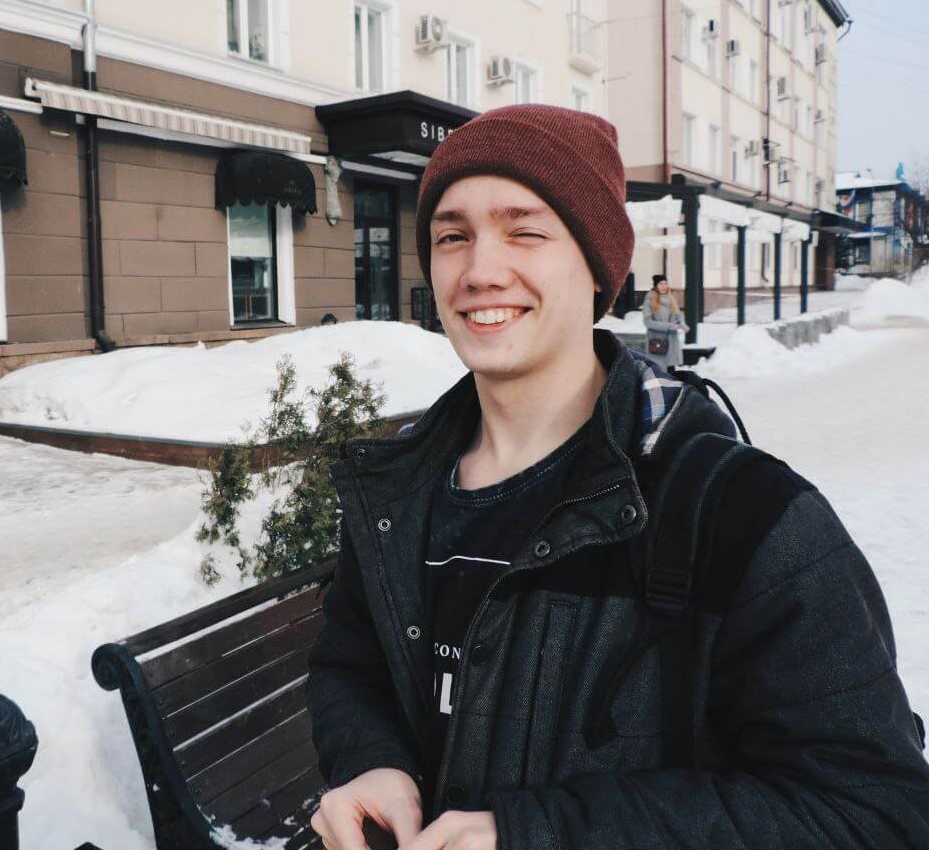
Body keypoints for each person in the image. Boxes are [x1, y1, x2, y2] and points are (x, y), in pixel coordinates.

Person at [305, 104, 929, 850]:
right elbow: (351, 666)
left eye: (525, 231)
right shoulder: (397, 491)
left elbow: (874, 813)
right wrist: (372, 762)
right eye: (452, 236)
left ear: (598, 265)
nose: (479, 271)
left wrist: (541, 835)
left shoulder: (744, 515)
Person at [642, 273, 687, 370]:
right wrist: (669, 326)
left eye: (665, 283)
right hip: (658, 342)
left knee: (671, 371)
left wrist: (681, 324)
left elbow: (678, 315)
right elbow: (648, 322)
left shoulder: (671, 299)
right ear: (655, 286)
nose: (664, 286)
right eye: (661, 284)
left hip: (672, 341)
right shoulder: (649, 300)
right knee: (659, 370)